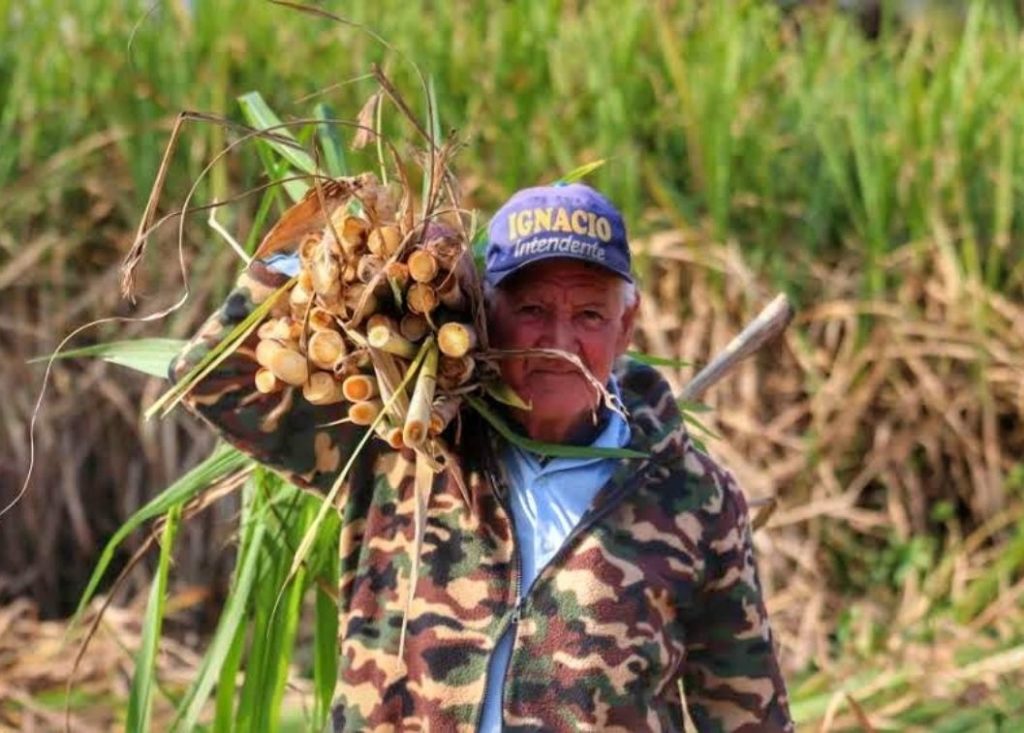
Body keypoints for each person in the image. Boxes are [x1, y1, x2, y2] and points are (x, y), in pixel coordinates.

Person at [172, 182, 794, 731]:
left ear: (625, 329)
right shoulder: (406, 445)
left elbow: (745, 711)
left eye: (589, 315)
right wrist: (323, 251)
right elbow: (208, 377)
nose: (559, 341)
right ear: (482, 314)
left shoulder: (693, 497)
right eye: (531, 310)